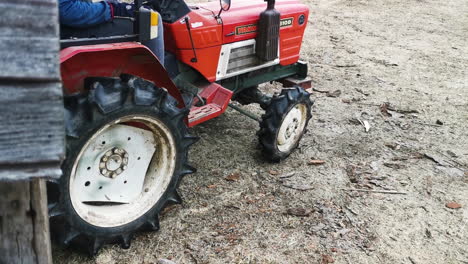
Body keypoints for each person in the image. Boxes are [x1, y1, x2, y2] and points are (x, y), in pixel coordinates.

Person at [59, 0, 165, 64]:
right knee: (151, 19)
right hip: (68, 32)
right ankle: (157, 88)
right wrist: (113, 8)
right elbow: (66, 10)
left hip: (58, 27)